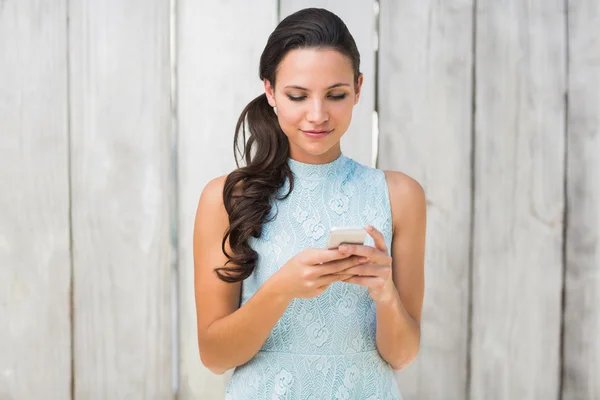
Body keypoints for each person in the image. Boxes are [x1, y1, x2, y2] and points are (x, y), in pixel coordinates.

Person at [193, 7, 425, 400]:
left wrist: (384, 292)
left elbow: (401, 356)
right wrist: (281, 287)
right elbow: (215, 356)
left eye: (336, 95)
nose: (317, 115)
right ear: (270, 92)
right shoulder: (226, 199)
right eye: (297, 96)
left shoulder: (400, 196)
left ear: (358, 89)